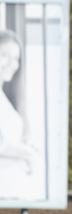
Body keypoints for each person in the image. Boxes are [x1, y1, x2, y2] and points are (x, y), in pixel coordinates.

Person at [0, 30, 35, 179]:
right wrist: (27, 154)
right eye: (4, 55)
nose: (11, 64)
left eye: (16, 58)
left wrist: (27, 145)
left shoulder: (7, 100)